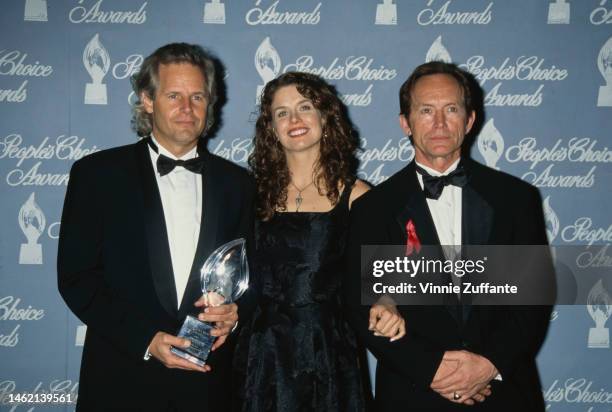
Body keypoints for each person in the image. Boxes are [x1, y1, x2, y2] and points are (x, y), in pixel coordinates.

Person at [345, 61, 552, 411]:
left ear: (469, 120)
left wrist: (487, 365)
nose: (439, 123)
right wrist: (433, 371)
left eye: (451, 109)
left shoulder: (516, 199)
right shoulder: (373, 208)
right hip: (413, 394)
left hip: (504, 394)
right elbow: (364, 306)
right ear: (405, 123)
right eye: (426, 110)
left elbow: (531, 302)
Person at [57, 43, 254, 410]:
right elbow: (77, 277)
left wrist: (236, 315)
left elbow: (252, 277)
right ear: (147, 100)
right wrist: (145, 339)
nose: (187, 108)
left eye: (198, 96)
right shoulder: (97, 175)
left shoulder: (239, 184)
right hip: (121, 380)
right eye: (174, 95)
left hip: (208, 387)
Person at [233, 72, 405, 412]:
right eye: (281, 113)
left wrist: (388, 301)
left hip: (326, 350)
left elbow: (384, 272)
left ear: (325, 116)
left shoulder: (358, 195)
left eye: (304, 107)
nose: (294, 120)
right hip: (260, 351)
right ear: (271, 127)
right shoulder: (249, 194)